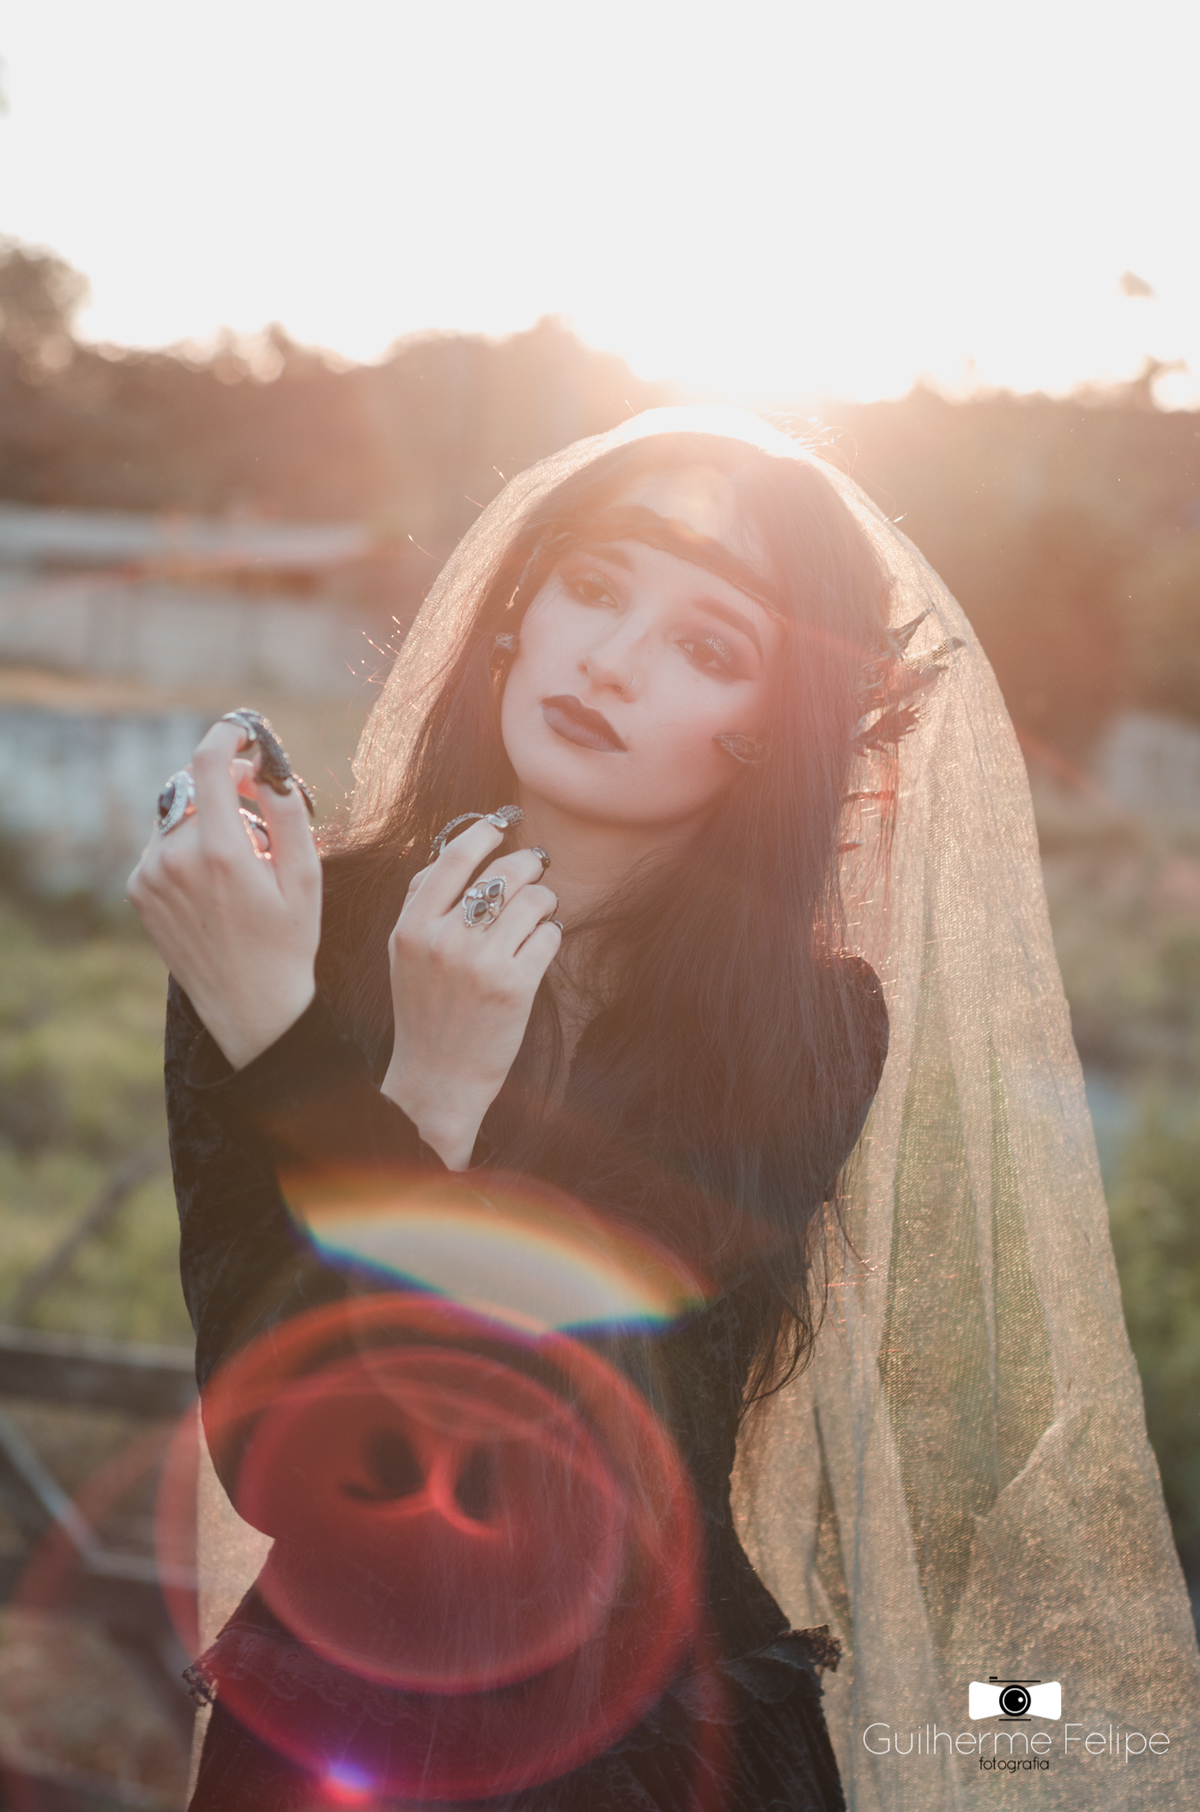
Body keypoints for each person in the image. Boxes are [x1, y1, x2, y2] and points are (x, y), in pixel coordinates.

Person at [130, 408, 1199, 1812]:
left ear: (770, 732)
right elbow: (288, 1461)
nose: (613, 661)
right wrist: (345, 1056)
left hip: (655, 1749)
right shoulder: (287, 938)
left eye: (710, 647)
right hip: (331, 1745)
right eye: (595, 585)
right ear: (521, 607)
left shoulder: (802, 1036)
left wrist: (381, 1087)